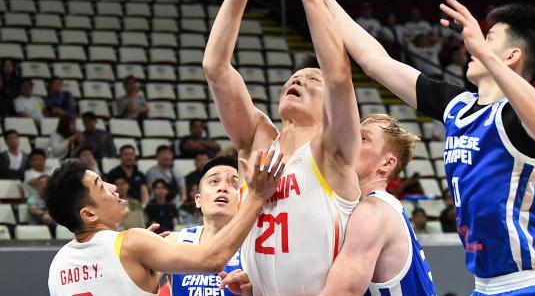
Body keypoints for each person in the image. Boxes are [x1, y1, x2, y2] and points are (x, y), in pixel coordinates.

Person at [317, 0, 535, 294]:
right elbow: (374, 60)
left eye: (489, 39)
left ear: (512, 56)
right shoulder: (458, 106)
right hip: (484, 286)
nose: (474, 46)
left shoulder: (518, 119)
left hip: (532, 283)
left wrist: (481, 52)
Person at [203, 0, 361, 295]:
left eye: (311, 80)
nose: (298, 80)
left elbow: (339, 75)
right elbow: (216, 67)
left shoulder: (333, 151)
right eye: (294, 77)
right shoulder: (259, 140)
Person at [223, 115, 437, 295]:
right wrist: (261, 287)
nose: (349, 140)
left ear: (386, 164)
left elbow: (340, 293)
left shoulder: (373, 212)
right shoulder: (349, 210)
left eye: (363, 138)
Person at [46, 152, 282, 296]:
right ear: (88, 214)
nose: (114, 187)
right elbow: (212, 260)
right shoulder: (133, 242)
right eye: (101, 185)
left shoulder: (58, 264)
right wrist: (257, 196)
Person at [168, 156, 246, 296]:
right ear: (198, 200)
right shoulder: (173, 242)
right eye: (214, 181)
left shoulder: (254, 249)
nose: (222, 188)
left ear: (243, 199)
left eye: (233, 184)